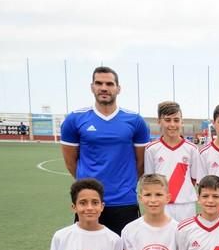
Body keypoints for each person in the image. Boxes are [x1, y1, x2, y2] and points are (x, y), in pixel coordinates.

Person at [60, 66, 151, 236]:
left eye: (109, 84)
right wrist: (87, 186)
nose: (104, 88)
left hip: (124, 201)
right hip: (90, 202)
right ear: (92, 87)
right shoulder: (75, 119)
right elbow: (70, 162)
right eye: (99, 83)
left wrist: (124, 184)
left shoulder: (135, 121)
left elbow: (141, 163)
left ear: (118, 88)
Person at [144, 101, 202, 222]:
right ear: (159, 121)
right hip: (162, 205)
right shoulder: (151, 149)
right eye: (168, 120)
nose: (172, 124)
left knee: (185, 240)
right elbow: (150, 181)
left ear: (182, 122)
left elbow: (194, 179)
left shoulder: (192, 149)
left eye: (176, 120)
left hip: (186, 205)